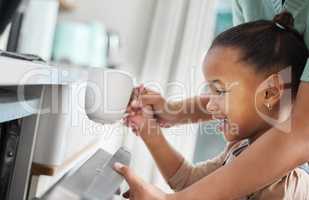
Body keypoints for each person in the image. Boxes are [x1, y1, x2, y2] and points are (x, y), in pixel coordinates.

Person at [113, 1, 309, 200]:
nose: (209, 104)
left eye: (220, 91)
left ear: (270, 93)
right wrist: (150, 131)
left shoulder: (285, 186)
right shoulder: (239, 149)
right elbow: (188, 181)